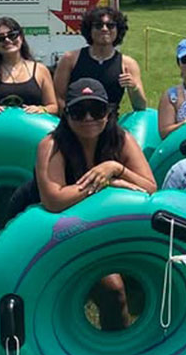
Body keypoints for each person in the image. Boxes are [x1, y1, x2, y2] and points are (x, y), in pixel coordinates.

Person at [32, 79, 158, 330]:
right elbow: (54, 200)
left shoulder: (121, 138)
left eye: (97, 110)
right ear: (67, 114)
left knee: (145, 279)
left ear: (108, 113)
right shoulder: (52, 144)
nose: (88, 118)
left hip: (100, 228)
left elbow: (150, 188)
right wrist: (104, 184)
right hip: (55, 231)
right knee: (113, 290)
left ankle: (139, 343)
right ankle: (116, 349)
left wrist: (115, 168)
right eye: (79, 111)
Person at [53, 6, 148, 112]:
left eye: (110, 25)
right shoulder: (70, 59)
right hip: (76, 118)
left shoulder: (128, 64)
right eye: (98, 25)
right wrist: (71, 117)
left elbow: (140, 107)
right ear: (89, 30)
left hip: (110, 120)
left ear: (118, 30)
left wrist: (134, 87)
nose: (104, 29)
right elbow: (58, 97)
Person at [0, 17, 58, 117]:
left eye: (12, 35)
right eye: (0, 38)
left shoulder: (40, 70)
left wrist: (41, 109)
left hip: (31, 126)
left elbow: (53, 107)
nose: (7, 40)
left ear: (21, 37)